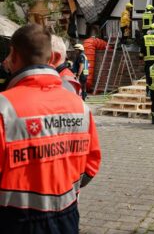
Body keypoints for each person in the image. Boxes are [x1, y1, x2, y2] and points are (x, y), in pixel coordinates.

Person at [0, 23, 101, 233]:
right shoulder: (80, 106)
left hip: (14, 219)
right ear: (50, 59)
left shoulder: (4, 107)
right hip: (67, 215)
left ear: (14, 55)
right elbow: (91, 166)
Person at [139, 24, 154, 96]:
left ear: (149, 30)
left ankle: (148, 92)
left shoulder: (145, 38)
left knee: (148, 76)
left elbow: (142, 49)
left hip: (148, 61)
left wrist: (140, 58)